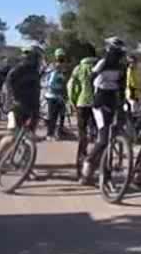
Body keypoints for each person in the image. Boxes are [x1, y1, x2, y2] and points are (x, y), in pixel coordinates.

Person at [80, 37, 127, 184]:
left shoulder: (121, 65)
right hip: (99, 101)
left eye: (119, 51)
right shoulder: (102, 63)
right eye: (116, 50)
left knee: (113, 136)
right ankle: (87, 166)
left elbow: (122, 84)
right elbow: (90, 79)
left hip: (113, 99)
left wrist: (123, 101)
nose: (118, 53)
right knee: (104, 138)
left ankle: (105, 172)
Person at [0, 46, 42, 170]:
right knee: (13, 136)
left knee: (29, 137)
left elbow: (37, 90)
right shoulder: (16, 71)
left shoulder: (35, 71)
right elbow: (7, 88)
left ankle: (26, 167)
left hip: (32, 108)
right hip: (17, 107)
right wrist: (8, 105)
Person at [67, 46, 98, 179]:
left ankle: (80, 168)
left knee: (82, 136)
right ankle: (94, 164)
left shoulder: (79, 68)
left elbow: (71, 87)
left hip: (82, 103)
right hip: (98, 104)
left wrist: (73, 102)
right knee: (98, 136)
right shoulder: (99, 66)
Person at [45, 48, 69, 141]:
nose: (61, 59)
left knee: (62, 114)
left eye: (62, 57)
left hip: (60, 96)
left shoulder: (62, 69)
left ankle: (59, 131)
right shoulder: (54, 69)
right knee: (53, 116)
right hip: (53, 96)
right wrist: (59, 89)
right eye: (60, 57)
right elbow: (50, 84)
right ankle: (49, 134)